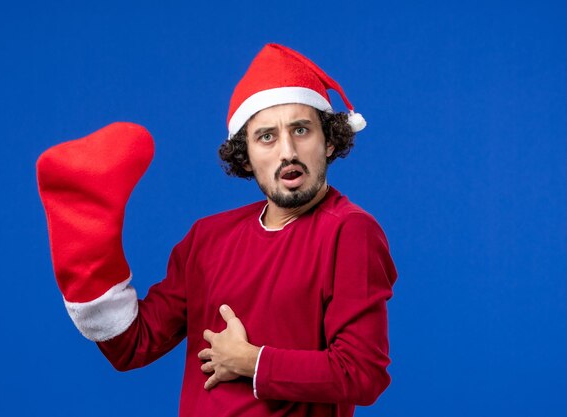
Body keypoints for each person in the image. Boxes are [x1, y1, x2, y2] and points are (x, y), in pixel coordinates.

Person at [37, 43, 398, 417]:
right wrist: (88, 240)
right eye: (267, 137)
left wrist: (253, 362)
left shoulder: (351, 232)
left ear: (330, 141)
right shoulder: (208, 238)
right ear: (245, 158)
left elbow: (361, 373)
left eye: (301, 129)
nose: (287, 151)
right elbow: (134, 345)